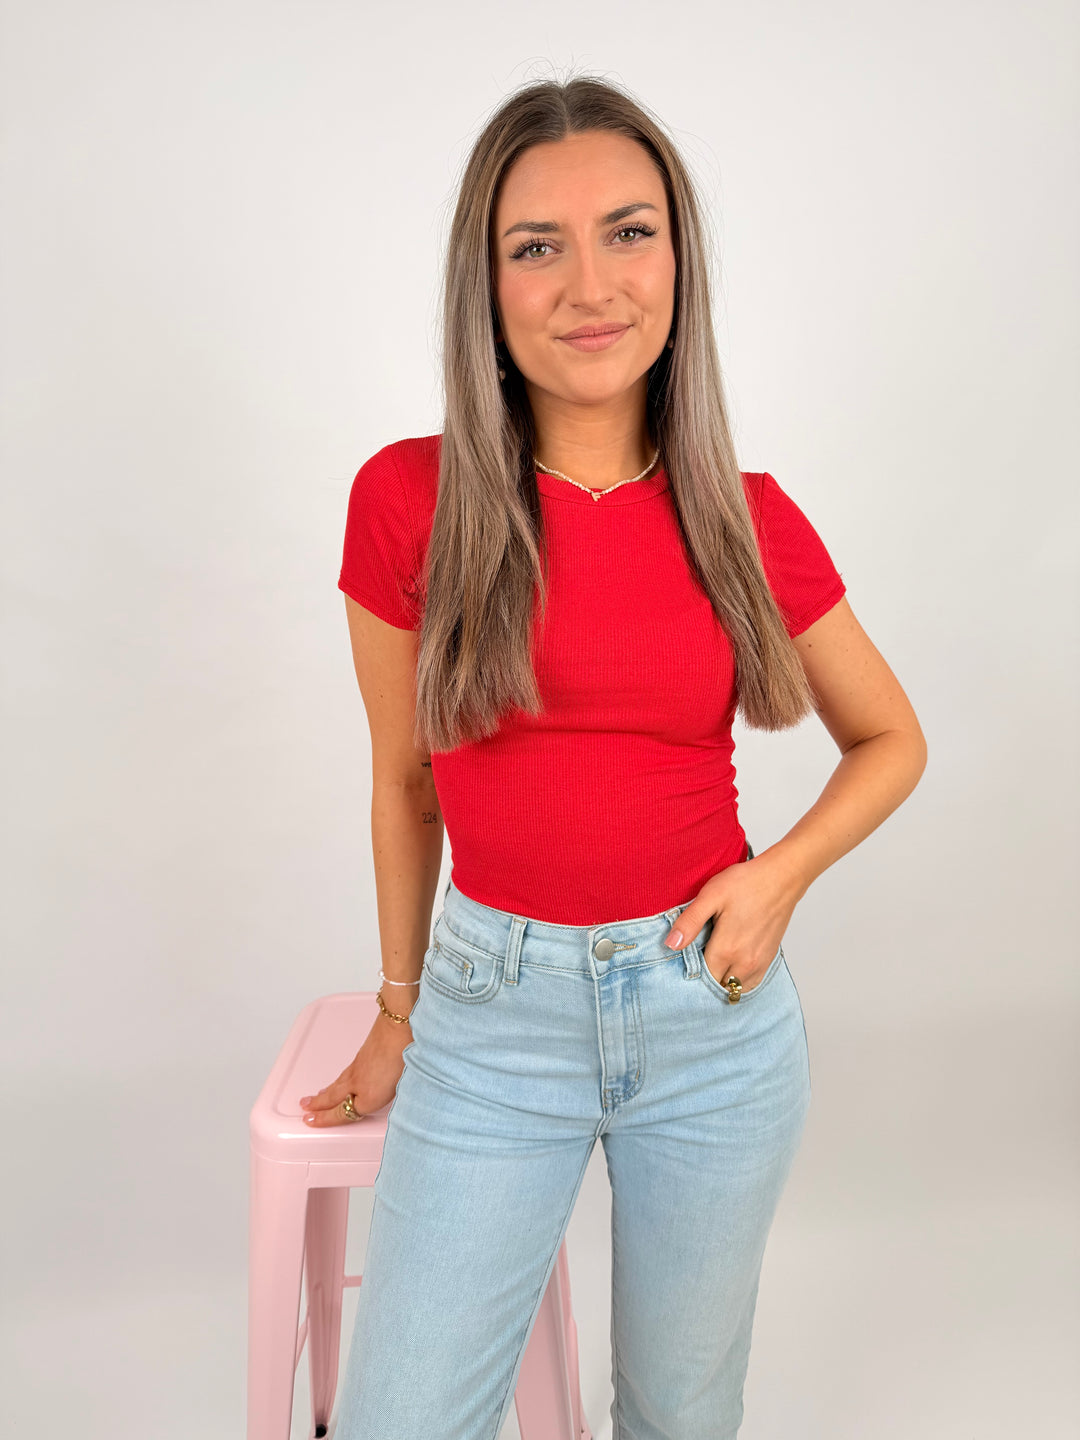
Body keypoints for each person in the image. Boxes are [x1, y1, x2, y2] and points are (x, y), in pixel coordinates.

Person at [303, 75, 927, 1440]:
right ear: (486, 286)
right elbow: (404, 784)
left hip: (712, 1017)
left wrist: (778, 878)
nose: (590, 285)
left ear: (679, 261)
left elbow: (892, 740)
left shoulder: (745, 517)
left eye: (629, 233)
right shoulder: (409, 499)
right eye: (538, 246)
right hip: (490, 1019)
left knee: (678, 1412)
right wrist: (401, 1010)